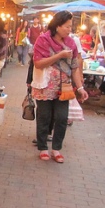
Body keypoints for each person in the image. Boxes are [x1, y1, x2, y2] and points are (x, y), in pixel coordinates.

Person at [31, 10, 89, 163]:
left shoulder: (71, 42)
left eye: (71, 27)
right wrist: (59, 55)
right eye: (67, 26)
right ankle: (43, 147)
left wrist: (81, 88)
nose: (69, 30)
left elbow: (75, 67)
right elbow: (38, 63)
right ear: (57, 26)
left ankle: (56, 148)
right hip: (45, 85)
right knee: (44, 117)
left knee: (62, 118)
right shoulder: (43, 40)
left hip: (64, 87)